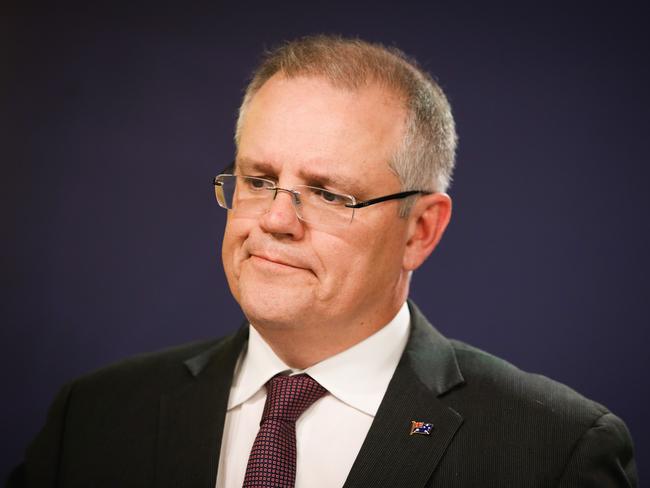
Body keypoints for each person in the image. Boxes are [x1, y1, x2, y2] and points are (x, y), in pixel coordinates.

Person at [9, 35, 636, 488]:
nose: (276, 219)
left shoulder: (554, 453)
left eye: (330, 193)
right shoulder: (95, 417)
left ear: (420, 229)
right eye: (258, 180)